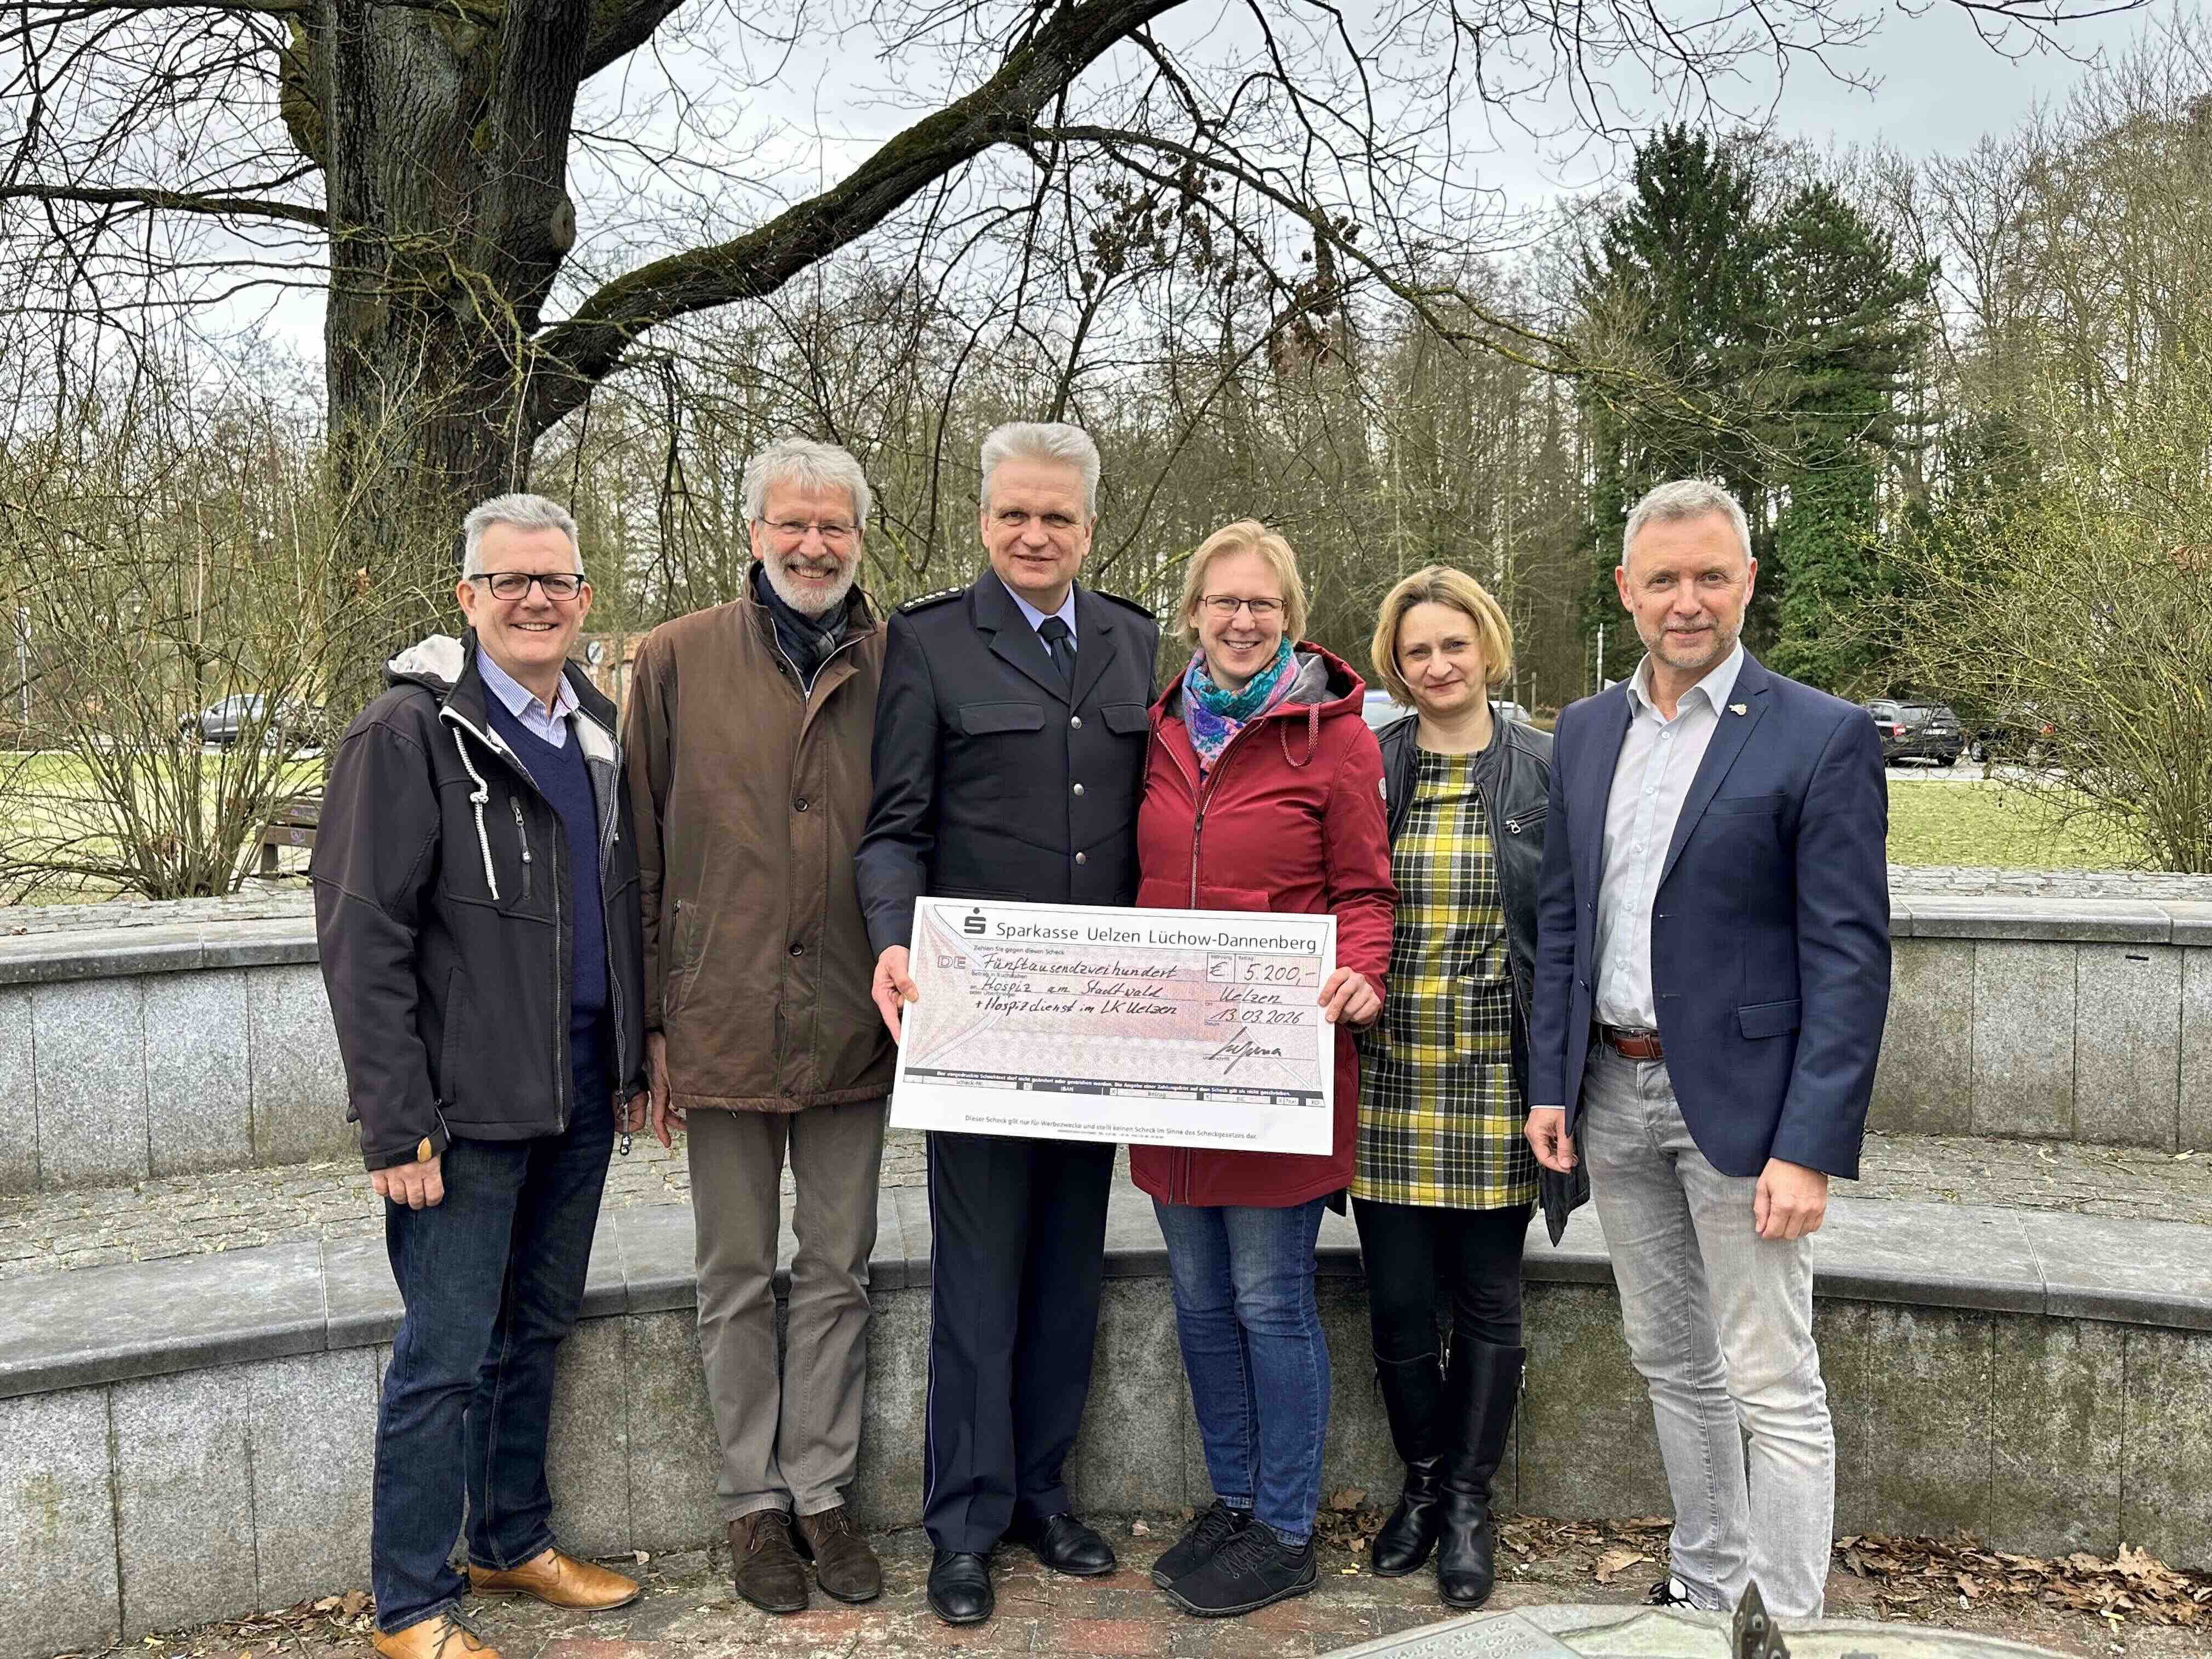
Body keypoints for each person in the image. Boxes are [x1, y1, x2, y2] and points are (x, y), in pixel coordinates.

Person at [1525, 478, 1891, 1619]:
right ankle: (1706, 1587)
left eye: (1712, 577)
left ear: (1747, 584)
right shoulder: (1586, 731)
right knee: (1670, 1361)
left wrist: (1810, 1145)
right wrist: (1551, 1084)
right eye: (1665, 580)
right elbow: (1565, 919)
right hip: (1609, 1091)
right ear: (1627, 591)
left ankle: (1783, 1625)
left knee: (1771, 1376)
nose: (1688, 601)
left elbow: (1849, 959)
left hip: (1745, 1112)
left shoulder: (1820, 735)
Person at [312, 494, 649, 1658]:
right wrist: (394, 1123)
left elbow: (617, 906)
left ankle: (510, 1541)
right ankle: (409, 1605)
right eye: (510, 581)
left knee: (536, 1331)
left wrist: (635, 1056)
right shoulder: (408, 733)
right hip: (464, 1111)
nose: (535, 600)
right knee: (444, 1358)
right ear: (468, 597)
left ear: (584, 598)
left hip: (577, 1088)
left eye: (556, 581)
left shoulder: (593, 725)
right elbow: (363, 938)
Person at [854, 420, 1163, 1626]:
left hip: (1100, 1020)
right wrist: (892, 936)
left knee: (1068, 1268)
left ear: (1090, 527)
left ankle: (1043, 1493)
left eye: (1058, 517)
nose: (1036, 535)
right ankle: (966, 1523)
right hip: (979, 1019)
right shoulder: (930, 644)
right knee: (978, 1278)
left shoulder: (1137, 641)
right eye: (1015, 515)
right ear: (985, 520)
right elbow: (896, 827)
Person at [623, 438, 893, 1615]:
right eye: (793, 523)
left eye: (834, 526)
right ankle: (752, 1502)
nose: (813, 545)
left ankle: (822, 1491)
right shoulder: (677, 657)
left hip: (853, 1020)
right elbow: (637, 848)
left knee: (838, 1267)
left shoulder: (897, 662)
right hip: (719, 1015)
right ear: (754, 533)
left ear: (859, 538)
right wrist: (651, 1026)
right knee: (733, 1271)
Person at [1127, 521, 1395, 1619]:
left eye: (1264, 604)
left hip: (1278, 1064)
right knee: (1199, 1300)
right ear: (1194, 612)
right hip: (1167, 1065)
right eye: (1225, 602)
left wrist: (1363, 969)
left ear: (1291, 616)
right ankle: (1234, 1500)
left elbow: (1365, 890)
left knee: (1268, 1299)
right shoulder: (1154, 731)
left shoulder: (1337, 737)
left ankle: (1285, 1527)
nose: (1243, 621)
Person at [1353, 566, 1564, 1610]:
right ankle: (1424, 1486)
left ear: (1487, 647)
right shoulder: (1369, 761)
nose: (1438, 666)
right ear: (1395, 666)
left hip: (1495, 1078)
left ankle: (1472, 1505)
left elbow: (1565, 935)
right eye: (1417, 651)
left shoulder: (1545, 768)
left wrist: (1558, 1080)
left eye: (1454, 644)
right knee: (1397, 1302)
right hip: (1386, 1077)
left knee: (1486, 1300)